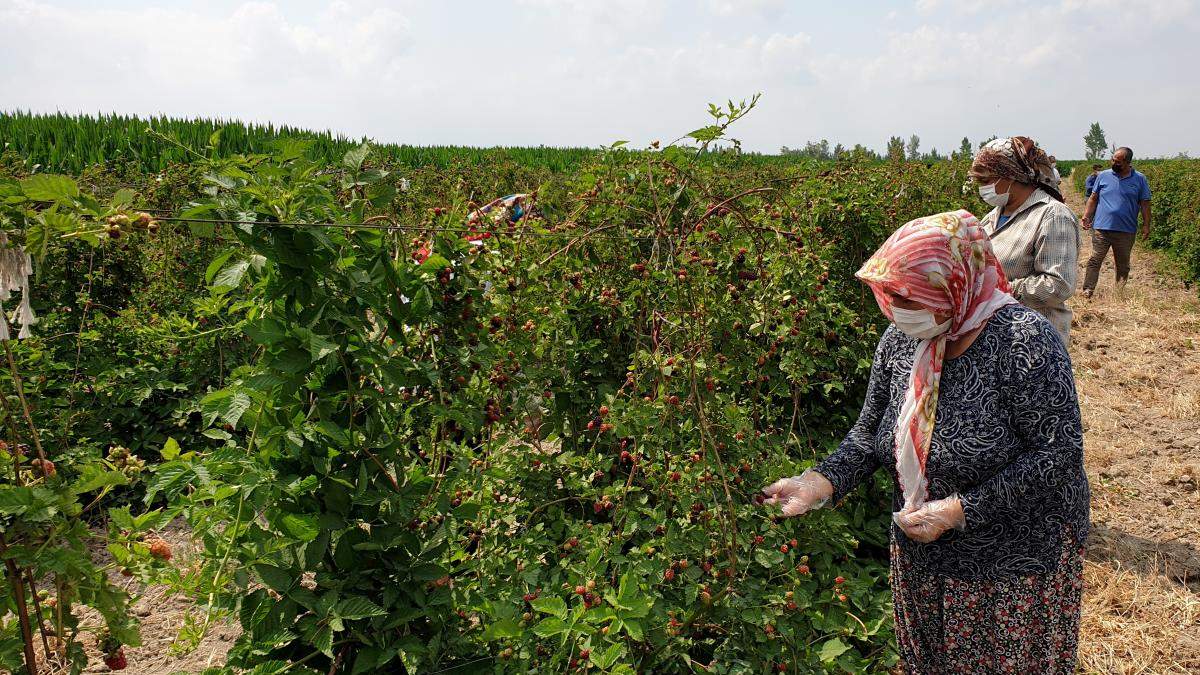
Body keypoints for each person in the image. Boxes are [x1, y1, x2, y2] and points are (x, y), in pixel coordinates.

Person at [761, 210, 1089, 674]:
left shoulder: (1023, 342)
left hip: (1013, 559)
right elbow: (869, 435)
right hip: (924, 551)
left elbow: (1058, 454)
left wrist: (960, 511)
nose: (896, 308)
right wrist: (820, 482)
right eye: (889, 295)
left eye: (908, 296)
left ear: (956, 281)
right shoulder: (901, 341)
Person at [968, 137, 1079, 345]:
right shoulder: (992, 216)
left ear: (1011, 176)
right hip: (998, 335)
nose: (981, 188)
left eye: (985, 181)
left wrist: (1001, 290)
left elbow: (1059, 284)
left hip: (1034, 339)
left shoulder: (1052, 215)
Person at [1080, 147, 1152, 298]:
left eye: (1118, 162)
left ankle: (1118, 292)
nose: (1114, 163)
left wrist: (1146, 225)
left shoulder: (1139, 179)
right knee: (1094, 260)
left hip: (1126, 230)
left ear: (1128, 162)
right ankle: (1088, 290)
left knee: (1123, 265)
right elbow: (1093, 198)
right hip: (1101, 228)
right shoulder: (1103, 176)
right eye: (1113, 160)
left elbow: (1145, 203)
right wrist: (1087, 216)